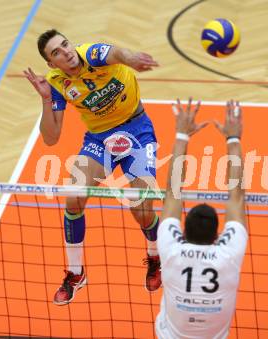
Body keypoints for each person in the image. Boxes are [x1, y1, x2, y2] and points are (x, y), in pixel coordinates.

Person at [24, 29, 162, 305]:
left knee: (142, 209)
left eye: (65, 45)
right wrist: (45, 99)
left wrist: (132, 58)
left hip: (137, 131)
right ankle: (76, 273)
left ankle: (156, 256)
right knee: (73, 197)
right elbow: (51, 138)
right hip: (101, 139)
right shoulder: (57, 82)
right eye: (57, 53)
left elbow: (116, 53)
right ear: (52, 64)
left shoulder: (92, 54)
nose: (67, 53)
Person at [155, 98, 247, 338]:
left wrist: (182, 136)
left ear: (183, 232)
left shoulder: (170, 248)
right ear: (218, 236)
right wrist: (233, 138)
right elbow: (236, 195)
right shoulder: (228, 254)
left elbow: (172, 190)